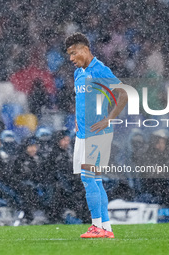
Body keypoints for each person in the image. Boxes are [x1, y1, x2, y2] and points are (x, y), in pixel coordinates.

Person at [65, 33, 128, 238]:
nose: (71, 59)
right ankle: (106, 228)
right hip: (83, 134)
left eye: (73, 53)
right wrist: (77, 119)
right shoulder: (78, 74)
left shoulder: (100, 70)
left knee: (88, 177)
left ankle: (97, 226)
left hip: (98, 134)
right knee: (95, 180)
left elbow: (124, 94)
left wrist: (109, 119)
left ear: (84, 49)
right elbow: (82, 101)